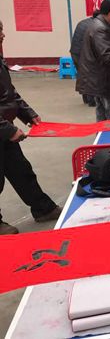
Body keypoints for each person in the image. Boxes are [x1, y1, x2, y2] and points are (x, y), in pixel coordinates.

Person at [0, 20, 62, 234]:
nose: (3, 35)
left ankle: (43, 208)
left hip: (3, 130)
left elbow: (9, 93)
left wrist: (28, 114)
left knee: (21, 170)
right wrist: (8, 130)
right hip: (3, 129)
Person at [70, 10, 100, 107]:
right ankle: (91, 101)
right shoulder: (94, 25)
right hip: (83, 54)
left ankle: (86, 99)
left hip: (74, 52)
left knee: (82, 75)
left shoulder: (83, 22)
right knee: (90, 76)